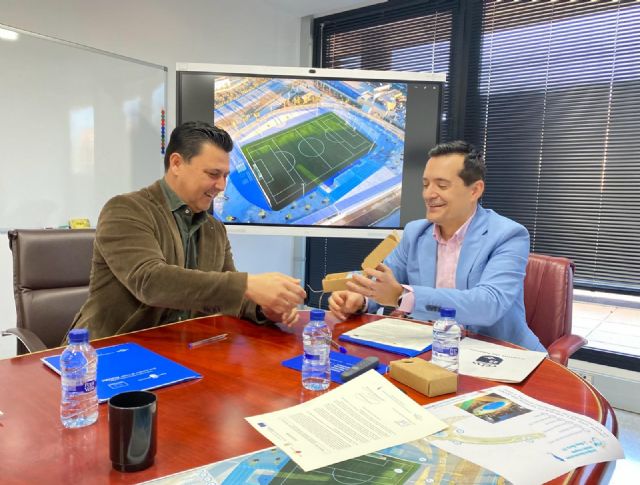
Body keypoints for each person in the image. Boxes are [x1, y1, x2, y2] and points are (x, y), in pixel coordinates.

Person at [67, 121, 306, 340]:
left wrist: (265, 308)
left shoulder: (214, 229)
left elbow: (227, 296)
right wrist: (247, 284)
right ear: (176, 164)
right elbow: (150, 281)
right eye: (213, 174)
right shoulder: (125, 209)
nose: (221, 186)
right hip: (105, 353)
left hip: (177, 349)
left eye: (225, 176)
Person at [328, 141, 544, 351]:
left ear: (475, 190)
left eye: (442, 185)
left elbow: (488, 305)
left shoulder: (508, 235)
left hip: (501, 353)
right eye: (425, 184)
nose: (428, 194)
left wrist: (403, 297)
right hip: (434, 349)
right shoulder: (415, 232)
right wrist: (361, 299)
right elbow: (385, 281)